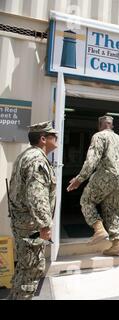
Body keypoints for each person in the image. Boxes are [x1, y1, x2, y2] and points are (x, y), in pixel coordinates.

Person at [8, 121, 58, 300]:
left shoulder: (26, 155)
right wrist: (45, 224)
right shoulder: (37, 160)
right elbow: (37, 197)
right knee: (32, 269)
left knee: (24, 267)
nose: (57, 139)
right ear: (43, 139)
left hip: (23, 222)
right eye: (54, 136)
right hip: (31, 226)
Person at [67, 116, 119, 256]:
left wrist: (79, 179)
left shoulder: (99, 136)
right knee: (112, 210)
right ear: (111, 126)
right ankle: (117, 243)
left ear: (100, 125)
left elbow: (92, 160)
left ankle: (98, 229)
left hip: (106, 177)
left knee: (86, 200)